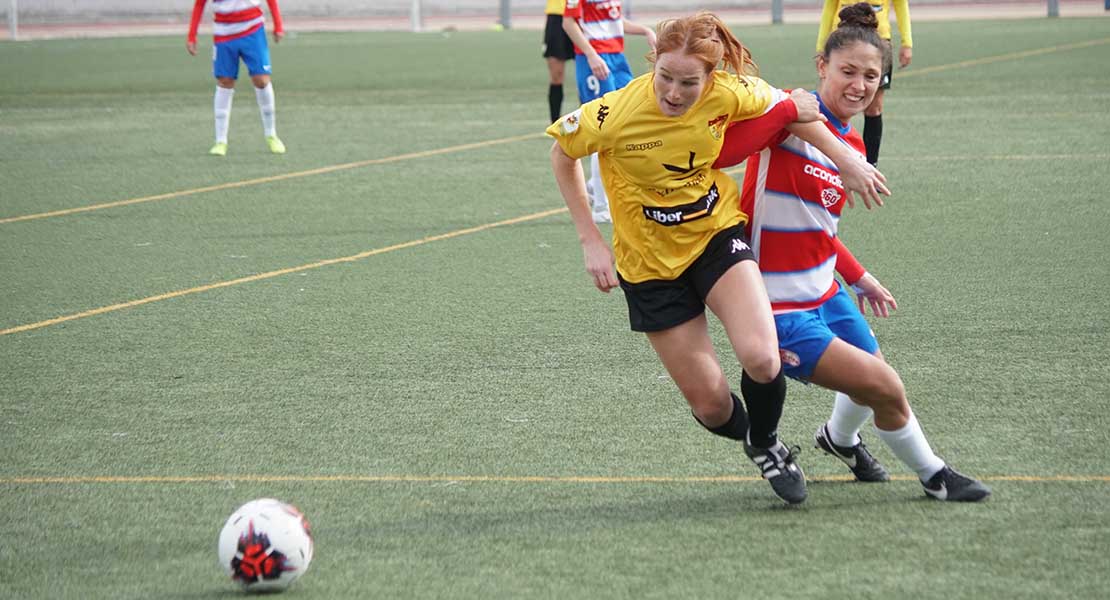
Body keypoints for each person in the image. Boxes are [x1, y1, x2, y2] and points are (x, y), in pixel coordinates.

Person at [547, 11, 889, 504]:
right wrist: (589, 239)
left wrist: (846, 158)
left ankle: (769, 444)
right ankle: (752, 436)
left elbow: (798, 107)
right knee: (710, 406)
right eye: (665, 77)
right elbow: (562, 152)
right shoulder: (617, 111)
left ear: (711, 77)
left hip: (715, 236)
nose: (673, 92)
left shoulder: (731, 92)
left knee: (762, 356)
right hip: (649, 268)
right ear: (654, 65)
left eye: (688, 82)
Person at [713, 3, 989, 501]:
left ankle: (837, 439)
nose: (860, 85)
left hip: (826, 291)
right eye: (847, 71)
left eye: (872, 76)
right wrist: (844, 160)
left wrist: (859, 277)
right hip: (777, 308)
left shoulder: (855, 143)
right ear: (822, 65)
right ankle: (935, 477)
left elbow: (819, 230)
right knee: (885, 386)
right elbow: (775, 120)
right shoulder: (790, 115)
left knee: (872, 371)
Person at [562, 0, 657, 223]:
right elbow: (568, 23)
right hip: (594, 58)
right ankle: (601, 207)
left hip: (617, 57)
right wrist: (591, 55)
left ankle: (595, 185)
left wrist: (645, 30)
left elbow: (612, 21)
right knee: (603, 126)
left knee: (631, 115)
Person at [817, 0, 912, 165]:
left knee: (874, 107)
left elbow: (901, 5)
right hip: (841, 40)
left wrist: (907, 42)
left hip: (877, 43)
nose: (859, 85)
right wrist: (820, 46)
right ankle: (826, 161)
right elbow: (829, 7)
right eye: (848, 72)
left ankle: (870, 165)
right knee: (832, 103)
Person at [187, 0, 286, 156]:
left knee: (261, 80)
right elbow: (200, 3)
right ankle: (220, 141)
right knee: (225, 82)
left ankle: (271, 134)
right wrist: (192, 35)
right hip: (223, 35)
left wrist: (278, 25)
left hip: (253, 31)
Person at [543, 1, 577, 124]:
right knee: (556, 75)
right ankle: (555, 124)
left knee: (588, 74)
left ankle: (591, 123)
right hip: (557, 15)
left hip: (583, 13)